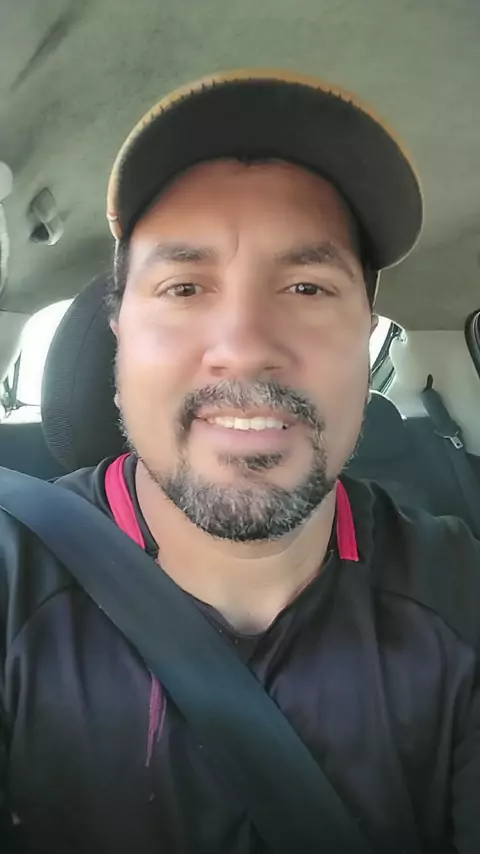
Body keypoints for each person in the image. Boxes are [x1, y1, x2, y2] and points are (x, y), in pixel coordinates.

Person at [1, 70, 479, 854]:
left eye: (307, 287)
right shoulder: (13, 578)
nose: (246, 346)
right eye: (185, 287)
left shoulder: (460, 592)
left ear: (365, 335)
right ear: (119, 335)